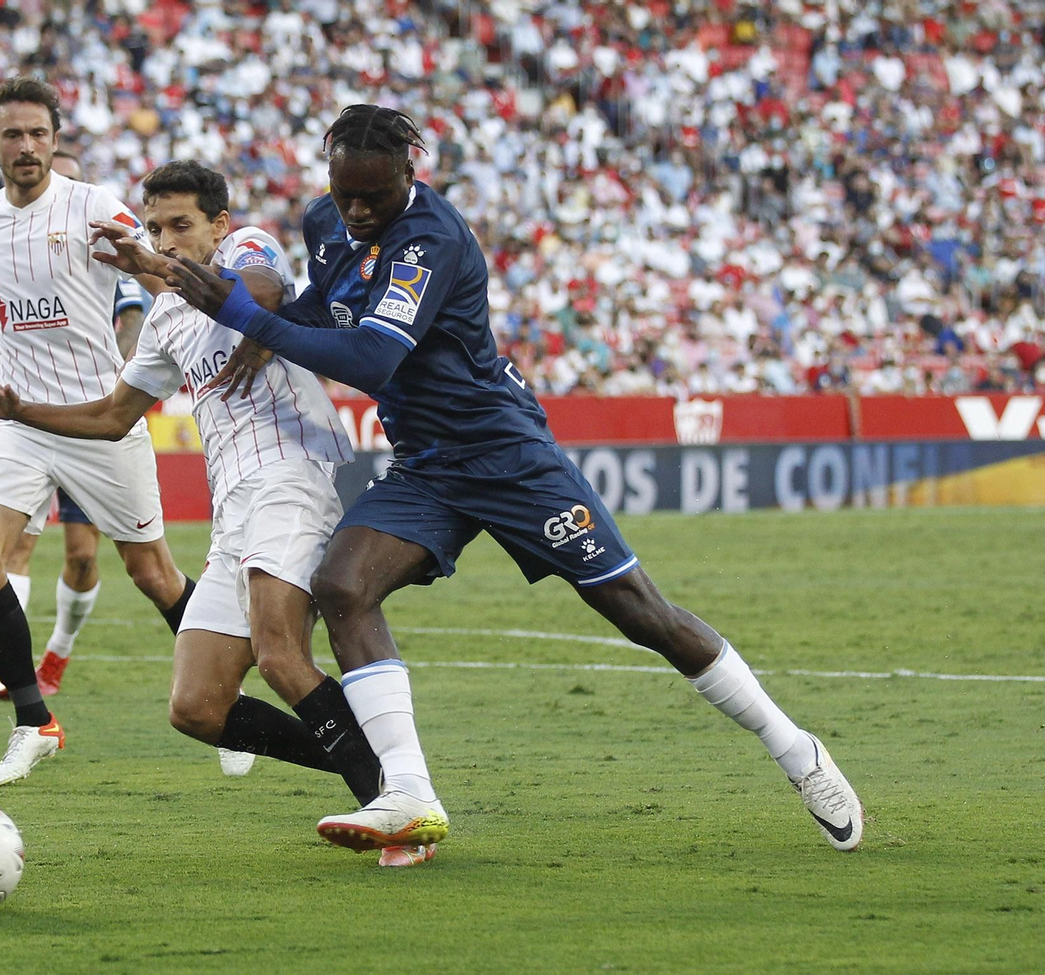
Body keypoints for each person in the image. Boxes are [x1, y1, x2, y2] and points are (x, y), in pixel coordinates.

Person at [164, 105, 864, 855]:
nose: (357, 211)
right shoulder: (326, 223)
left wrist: (250, 317)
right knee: (342, 585)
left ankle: (796, 749)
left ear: (409, 175)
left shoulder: (430, 239)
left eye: (374, 195)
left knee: (642, 613)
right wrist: (258, 318)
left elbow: (370, 359)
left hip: (505, 455)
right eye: (345, 195)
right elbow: (322, 313)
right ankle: (408, 792)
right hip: (427, 464)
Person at [0, 159, 438, 865]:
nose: (166, 239)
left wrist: (154, 264)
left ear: (218, 224)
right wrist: (16, 407)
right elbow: (113, 415)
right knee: (197, 705)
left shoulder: (248, 250)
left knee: (279, 653)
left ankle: (392, 811)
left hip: (293, 475)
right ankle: (375, 766)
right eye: (154, 228)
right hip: (232, 505)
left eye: (180, 225)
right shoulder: (166, 318)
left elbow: (260, 294)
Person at [0, 78, 195, 788]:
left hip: (100, 417)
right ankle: (35, 722)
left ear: (56, 139)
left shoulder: (94, 205)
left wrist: (198, 329)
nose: (27, 146)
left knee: (154, 575)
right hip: (20, 420)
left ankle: (225, 695)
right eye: (13, 134)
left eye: (38, 133)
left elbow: (159, 274)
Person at [0, 151, 146, 701]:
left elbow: (134, 316)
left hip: (88, 417)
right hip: (26, 422)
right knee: (6, 549)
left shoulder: (101, 237)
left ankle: (58, 651)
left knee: (84, 555)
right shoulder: (6, 253)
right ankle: (14, 672)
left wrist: (119, 386)